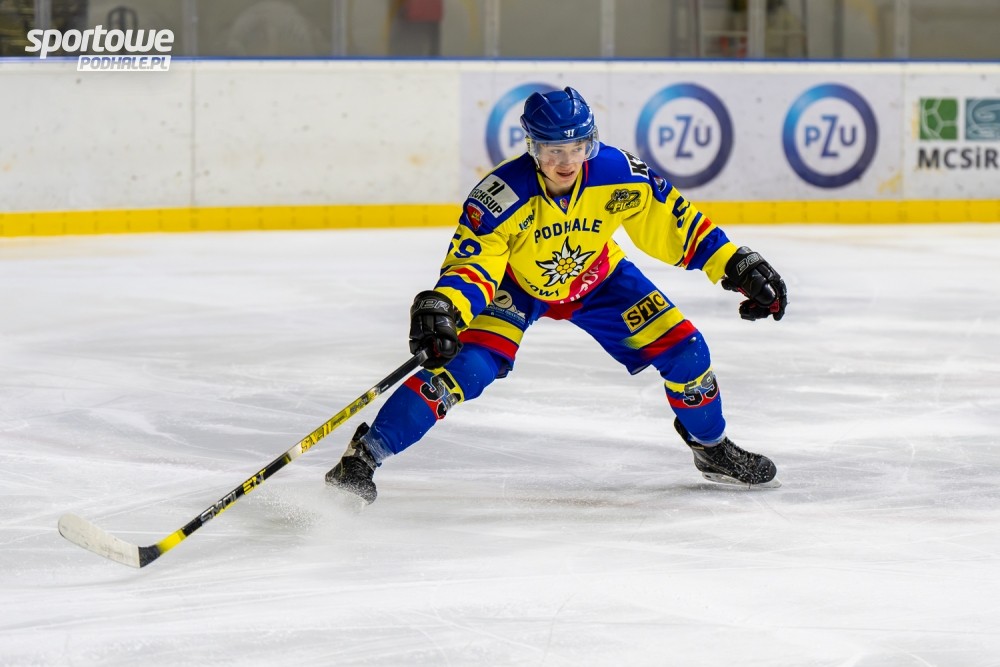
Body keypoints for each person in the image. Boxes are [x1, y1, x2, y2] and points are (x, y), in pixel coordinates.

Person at [325, 87, 788, 504]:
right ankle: (364, 455)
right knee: (465, 369)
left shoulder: (619, 174)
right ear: (532, 147)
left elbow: (676, 224)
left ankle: (710, 447)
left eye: (577, 147)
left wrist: (735, 262)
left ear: (591, 142)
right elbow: (474, 264)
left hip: (598, 279)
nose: (566, 162)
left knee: (688, 353)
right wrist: (445, 305)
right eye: (553, 150)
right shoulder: (501, 196)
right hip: (516, 287)